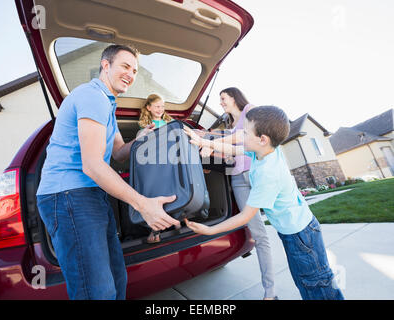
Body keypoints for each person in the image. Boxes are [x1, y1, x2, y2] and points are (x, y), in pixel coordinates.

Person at [36, 44, 180, 300]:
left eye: (135, 70)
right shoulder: (92, 96)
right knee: (96, 291)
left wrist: (145, 138)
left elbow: (118, 153)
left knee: (116, 279)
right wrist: (143, 205)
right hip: (68, 195)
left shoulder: (107, 104)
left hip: (91, 195)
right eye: (125, 66)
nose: (131, 74)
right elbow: (91, 165)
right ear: (105, 65)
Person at [183, 106, 344, 300]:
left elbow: (246, 215)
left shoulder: (268, 174)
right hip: (296, 231)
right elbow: (233, 149)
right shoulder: (262, 151)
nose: (241, 134)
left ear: (262, 139)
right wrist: (202, 141)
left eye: (245, 132)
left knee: (316, 283)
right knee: (307, 281)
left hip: (301, 236)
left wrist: (210, 230)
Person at [200, 87, 277, 300]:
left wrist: (212, 143)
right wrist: (213, 152)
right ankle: (270, 293)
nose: (221, 102)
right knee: (259, 233)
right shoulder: (230, 126)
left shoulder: (250, 112)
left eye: (223, 98)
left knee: (284, 223)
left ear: (234, 97)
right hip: (238, 179)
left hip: (257, 173)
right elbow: (231, 148)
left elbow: (254, 140)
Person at [137, 93, 179, 243]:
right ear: (148, 108)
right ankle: (156, 230)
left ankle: (179, 220)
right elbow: (142, 143)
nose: (160, 109)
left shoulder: (170, 122)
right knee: (158, 194)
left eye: (162, 106)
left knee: (175, 191)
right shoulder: (145, 126)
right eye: (157, 106)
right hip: (156, 164)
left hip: (171, 162)